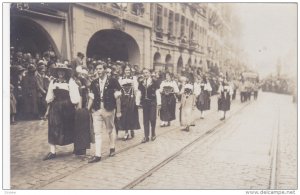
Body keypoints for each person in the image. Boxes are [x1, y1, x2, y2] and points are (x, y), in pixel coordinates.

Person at [42, 63, 80, 160]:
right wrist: (47, 111)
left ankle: (76, 147)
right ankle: (52, 151)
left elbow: (75, 97)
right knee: (53, 127)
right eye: (59, 71)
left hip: (68, 107)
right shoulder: (53, 82)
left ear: (66, 72)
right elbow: (50, 97)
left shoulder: (70, 82)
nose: (61, 73)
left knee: (70, 126)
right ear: (56, 72)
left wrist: (76, 107)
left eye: (63, 71)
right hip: (55, 107)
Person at [87, 62, 122, 163]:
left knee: (110, 130)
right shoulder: (94, 83)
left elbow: (118, 98)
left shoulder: (113, 81)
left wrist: (119, 111)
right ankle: (97, 155)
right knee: (97, 132)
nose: (99, 71)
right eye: (97, 69)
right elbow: (91, 98)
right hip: (97, 109)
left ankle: (112, 147)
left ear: (105, 70)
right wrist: (87, 109)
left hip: (109, 108)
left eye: (100, 68)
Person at [116, 65, 141, 140]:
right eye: (126, 70)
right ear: (124, 71)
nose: (127, 72)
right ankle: (126, 132)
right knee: (124, 115)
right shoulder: (121, 79)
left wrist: (137, 100)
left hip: (131, 97)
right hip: (123, 98)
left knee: (131, 113)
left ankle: (132, 128)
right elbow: (118, 89)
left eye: (129, 70)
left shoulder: (134, 78)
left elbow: (136, 89)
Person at [72, 66, 92, 156]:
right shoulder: (77, 81)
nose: (81, 75)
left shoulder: (83, 81)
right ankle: (78, 148)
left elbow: (87, 89)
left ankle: (82, 148)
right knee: (77, 129)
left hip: (83, 107)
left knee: (83, 129)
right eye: (80, 73)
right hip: (79, 107)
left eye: (83, 74)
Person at [138, 68, 161, 143]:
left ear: (150, 73)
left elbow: (157, 93)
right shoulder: (141, 82)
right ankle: (146, 136)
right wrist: (137, 102)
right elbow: (139, 93)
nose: (145, 74)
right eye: (144, 73)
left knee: (152, 118)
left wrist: (159, 103)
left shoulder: (154, 82)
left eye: (147, 72)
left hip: (152, 102)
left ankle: (153, 133)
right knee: (145, 120)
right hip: (145, 103)